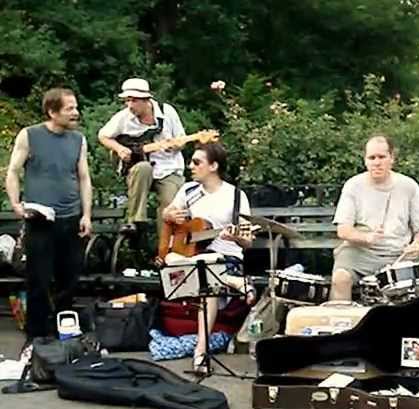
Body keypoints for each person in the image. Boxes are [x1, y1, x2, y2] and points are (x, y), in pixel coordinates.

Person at [5, 88, 92, 348]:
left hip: (71, 217)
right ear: (52, 112)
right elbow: (12, 171)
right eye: (69, 108)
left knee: (69, 279)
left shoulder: (78, 139)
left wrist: (87, 214)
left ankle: (63, 333)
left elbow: (84, 178)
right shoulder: (30, 135)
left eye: (76, 107)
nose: (75, 112)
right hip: (40, 218)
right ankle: (36, 336)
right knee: (39, 280)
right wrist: (16, 204)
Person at [162, 142, 253, 373]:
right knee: (171, 257)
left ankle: (200, 352)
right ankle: (234, 283)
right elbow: (167, 216)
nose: (190, 166)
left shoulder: (235, 196)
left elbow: (247, 241)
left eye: (196, 162)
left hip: (227, 259)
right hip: (194, 258)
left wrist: (235, 237)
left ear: (213, 166)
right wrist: (170, 214)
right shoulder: (188, 191)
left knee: (209, 283)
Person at [330, 134, 419, 301]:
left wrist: (418, 245)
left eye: (382, 157)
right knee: (340, 278)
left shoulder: (409, 186)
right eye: (372, 157)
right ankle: (342, 324)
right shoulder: (353, 186)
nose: (376, 162)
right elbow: (343, 230)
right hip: (360, 253)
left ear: (392, 158)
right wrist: (366, 237)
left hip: (400, 253)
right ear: (365, 160)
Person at [98, 78, 186, 235]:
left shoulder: (167, 112)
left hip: (168, 167)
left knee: (170, 205)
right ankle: (136, 223)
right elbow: (103, 136)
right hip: (140, 169)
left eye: (134, 100)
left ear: (146, 100)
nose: (130, 105)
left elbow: (182, 140)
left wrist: (176, 145)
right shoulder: (123, 117)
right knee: (143, 168)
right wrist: (119, 149)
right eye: (127, 100)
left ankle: (166, 247)